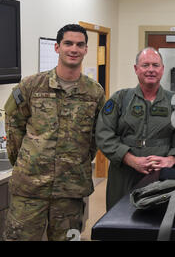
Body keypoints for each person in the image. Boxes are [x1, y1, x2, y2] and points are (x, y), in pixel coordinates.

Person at [3, 24, 106, 241]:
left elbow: (95, 137)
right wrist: (26, 163)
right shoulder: (31, 86)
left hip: (70, 191)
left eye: (80, 44)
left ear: (86, 49)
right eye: (68, 43)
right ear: (57, 47)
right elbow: (13, 128)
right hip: (30, 190)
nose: (74, 49)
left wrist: (76, 164)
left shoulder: (94, 92)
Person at [95, 47, 175, 211]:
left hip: (161, 174)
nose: (151, 70)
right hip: (123, 173)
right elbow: (103, 134)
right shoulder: (120, 98)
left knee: (157, 220)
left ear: (162, 69)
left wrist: (171, 160)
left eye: (155, 65)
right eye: (145, 65)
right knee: (120, 217)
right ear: (136, 69)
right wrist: (130, 159)